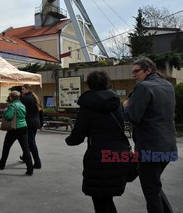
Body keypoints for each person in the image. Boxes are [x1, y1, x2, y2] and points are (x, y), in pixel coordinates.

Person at [65, 71, 129, 213]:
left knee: (101, 202)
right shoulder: (116, 102)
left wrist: (69, 140)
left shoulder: (87, 106)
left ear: (89, 85)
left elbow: (77, 137)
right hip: (119, 155)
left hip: (99, 158)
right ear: (107, 82)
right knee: (107, 199)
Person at [123, 57, 177, 213]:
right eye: (132, 72)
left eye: (136, 71)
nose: (134, 75)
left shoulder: (144, 87)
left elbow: (133, 117)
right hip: (168, 147)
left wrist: (125, 106)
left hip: (149, 149)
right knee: (154, 186)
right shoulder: (168, 85)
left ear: (149, 70)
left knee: (151, 192)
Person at [0, 91, 33, 176]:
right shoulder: (22, 105)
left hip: (14, 128)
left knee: (6, 147)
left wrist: (5, 111)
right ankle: (30, 169)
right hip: (24, 127)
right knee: (25, 148)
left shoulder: (12, 105)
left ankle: (1, 164)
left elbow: (9, 116)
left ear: (11, 98)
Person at [20, 84, 43, 169]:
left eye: (23, 89)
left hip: (28, 123)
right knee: (29, 141)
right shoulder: (36, 97)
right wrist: (41, 124)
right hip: (35, 123)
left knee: (31, 143)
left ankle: (37, 162)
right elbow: (41, 111)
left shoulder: (24, 98)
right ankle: (25, 157)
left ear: (28, 89)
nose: (22, 91)